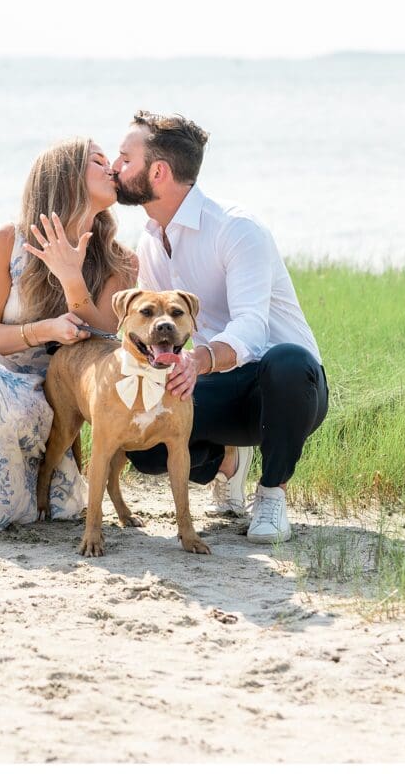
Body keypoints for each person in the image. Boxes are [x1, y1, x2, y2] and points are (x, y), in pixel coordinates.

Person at [111, 111, 328, 543]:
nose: (116, 168)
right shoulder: (151, 238)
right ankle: (228, 466)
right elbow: (157, 328)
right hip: (211, 385)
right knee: (148, 449)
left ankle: (271, 494)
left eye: (124, 158)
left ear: (158, 171)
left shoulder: (236, 227)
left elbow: (251, 325)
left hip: (282, 391)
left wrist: (199, 359)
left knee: (287, 361)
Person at [0, 138, 136, 535]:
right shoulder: (6, 240)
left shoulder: (120, 260)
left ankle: (15, 495)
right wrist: (45, 330)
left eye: (112, 162)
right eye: (98, 161)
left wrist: (71, 277)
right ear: (65, 176)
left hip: (59, 398)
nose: (112, 169)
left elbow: (106, 336)